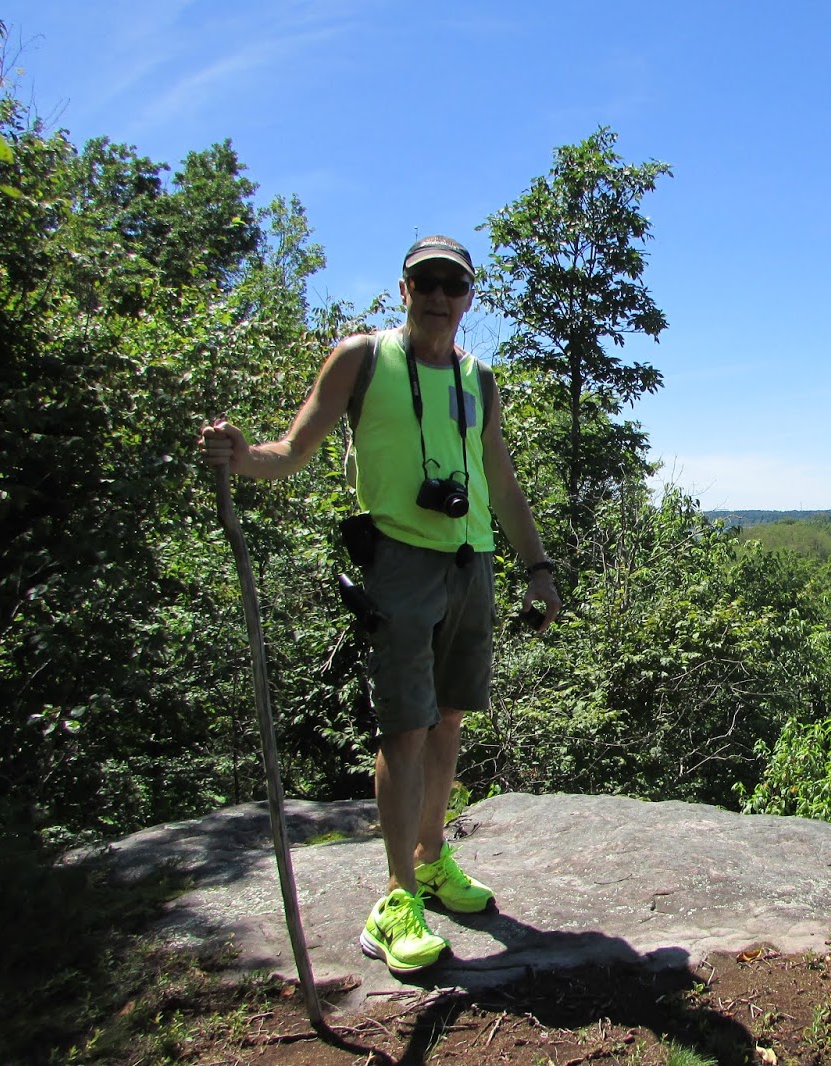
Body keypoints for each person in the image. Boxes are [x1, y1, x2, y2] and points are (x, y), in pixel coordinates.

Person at [198, 235, 560, 975]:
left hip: (472, 561)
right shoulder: (362, 358)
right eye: (424, 282)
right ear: (403, 290)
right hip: (397, 560)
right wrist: (243, 456)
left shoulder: (479, 379)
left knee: (449, 716)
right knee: (403, 724)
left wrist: (538, 567)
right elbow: (295, 448)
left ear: (469, 298)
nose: (437, 296)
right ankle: (396, 899)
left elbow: (503, 480)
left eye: (451, 285)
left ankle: (430, 860)